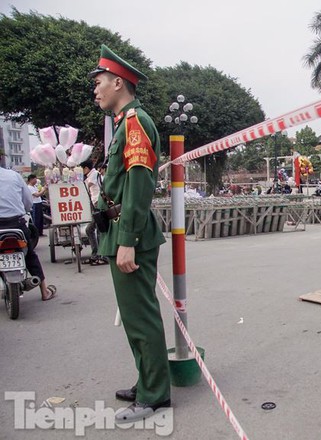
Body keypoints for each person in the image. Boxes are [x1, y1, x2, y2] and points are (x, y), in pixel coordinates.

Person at [89, 44, 169, 424]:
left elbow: (140, 184)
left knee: (141, 318)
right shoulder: (124, 122)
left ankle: (155, 394)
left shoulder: (135, 122)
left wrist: (127, 241)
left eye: (100, 82)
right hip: (120, 227)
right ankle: (146, 380)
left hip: (129, 231)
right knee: (135, 315)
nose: (96, 90)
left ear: (118, 82)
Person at [0, 167, 57, 301]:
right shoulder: (14, 176)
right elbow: (28, 202)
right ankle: (44, 291)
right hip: (17, 224)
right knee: (30, 255)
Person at [81, 160, 107, 265]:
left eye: (82, 169)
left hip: (99, 204)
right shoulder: (92, 175)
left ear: (86, 168)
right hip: (95, 205)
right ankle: (96, 254)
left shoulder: (94, 174)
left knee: (97, 230)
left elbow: (87, 186)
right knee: (91, 229)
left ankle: (102, 255)